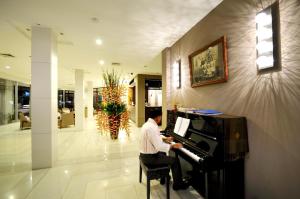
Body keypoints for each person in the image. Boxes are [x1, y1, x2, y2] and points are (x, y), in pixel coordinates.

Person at [139, 109, 190, 190]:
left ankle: (164, 177)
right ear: (158, 117)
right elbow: (159, 146)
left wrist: (164, 139)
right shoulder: (152, 127)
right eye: (161, 117)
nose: (161, 118)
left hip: (144, 155)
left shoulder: (147, 125)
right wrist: (173, 146)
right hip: (150, 158)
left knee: (163, 154)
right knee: (174, 161)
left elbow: (154, 137)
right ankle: (178, 185)